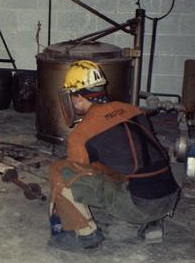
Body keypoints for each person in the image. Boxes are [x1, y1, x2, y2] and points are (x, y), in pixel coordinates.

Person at [48, 60, 180, 251]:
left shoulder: (83, 132)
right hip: (169, 197)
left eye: (72, 95)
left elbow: (76, 172)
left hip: (139, 207)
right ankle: (154, 221)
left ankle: (85, 235)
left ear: (77, 98)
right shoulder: (132, 109)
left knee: (59, 170)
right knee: (139, 169)